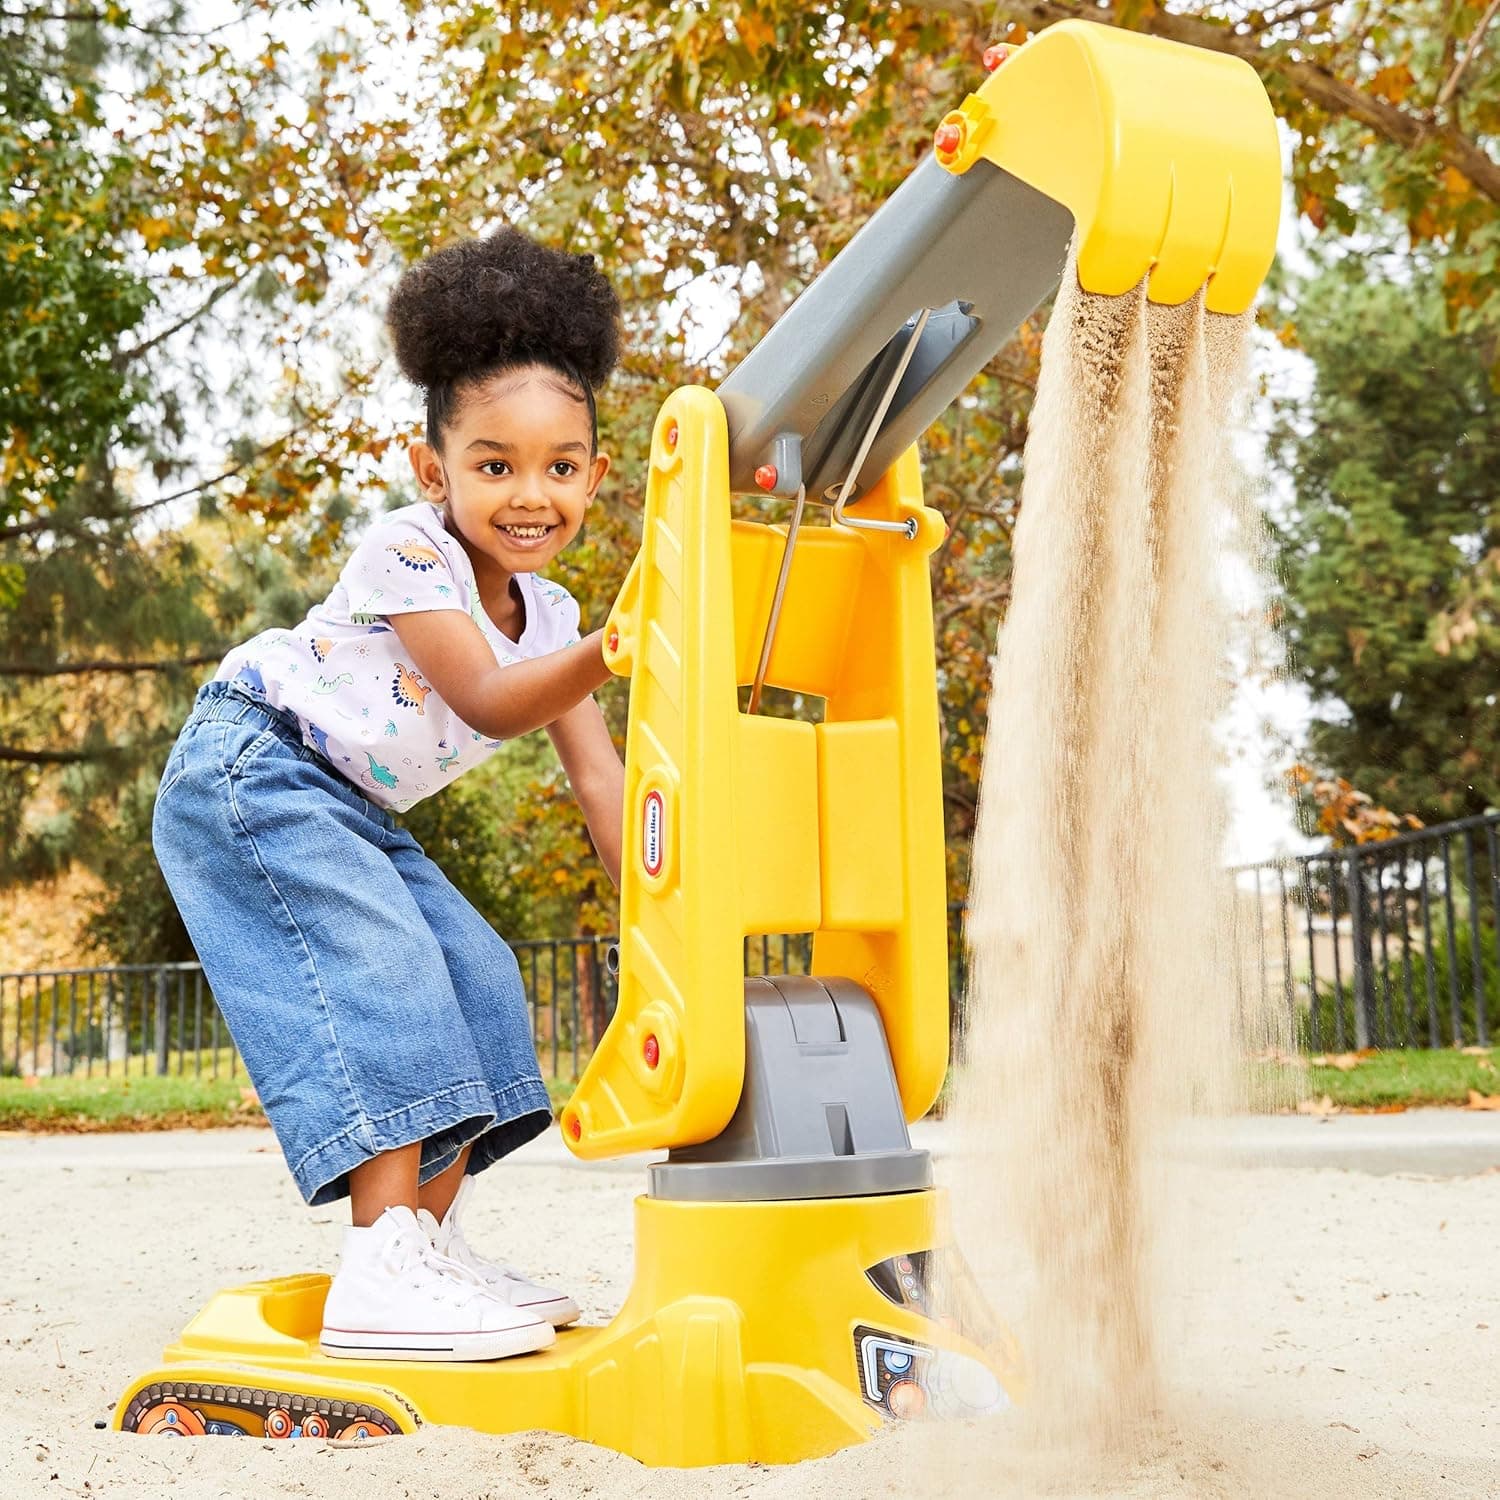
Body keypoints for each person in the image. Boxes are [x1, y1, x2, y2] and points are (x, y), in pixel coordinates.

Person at [152, 228, 626, 1362]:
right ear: (437, 472)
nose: (530, 495)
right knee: (395, 974)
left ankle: (424, 1250)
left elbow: (599, 775)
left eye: (561, 466)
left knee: (480, 977)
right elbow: (488, 698)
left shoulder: (555, 624)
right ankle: (379, 1262)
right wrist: (622, 644)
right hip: (254, 763)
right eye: (494, 464)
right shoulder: (408, 554)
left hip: (346, 805)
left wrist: (664, 912)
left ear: (596, 476)